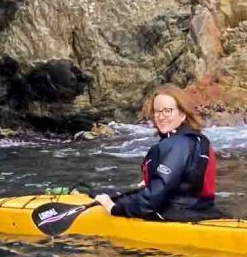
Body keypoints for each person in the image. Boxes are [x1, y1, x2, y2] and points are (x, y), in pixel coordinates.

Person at [93, 85, 218, 221]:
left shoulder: (178, 144)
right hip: (200, 210)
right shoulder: (195, 139)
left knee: (119, 202)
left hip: (176, 214)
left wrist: (114, 208)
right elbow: (185, 179)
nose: (161, 117)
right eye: (157, 112)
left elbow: (154, 197)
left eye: (167, 111)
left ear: (182, 114)